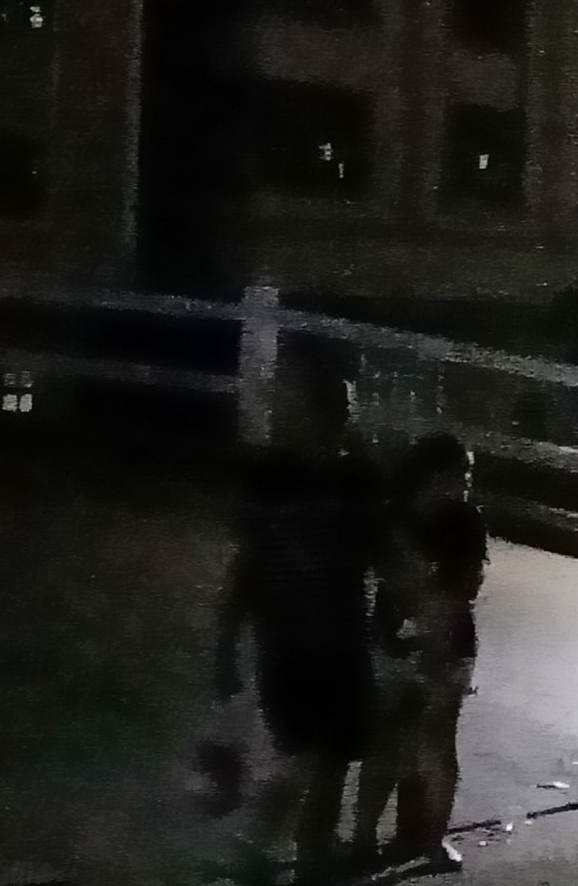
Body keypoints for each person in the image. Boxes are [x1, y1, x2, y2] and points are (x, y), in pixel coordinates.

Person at [215, 357, 381, 886]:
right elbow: (247, 565)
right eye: (333, 408)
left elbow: (377, 557)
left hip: (338, 640)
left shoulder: (356, 479)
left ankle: (303, 855)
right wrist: (226, 643)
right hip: (293, 642)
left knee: (330, 758)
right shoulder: (278, 478)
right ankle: (265, 848)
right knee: (306, 756)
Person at [353, 433, 490, 875]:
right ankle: (372, 838)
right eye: (461, 474)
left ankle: (425, 841)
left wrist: (428, 621)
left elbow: (466, 587)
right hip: (410, 643)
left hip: (438, 645)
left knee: (433, 747)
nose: (467, 483)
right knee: (392, 745)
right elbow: (391, 580)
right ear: (434, 475)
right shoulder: (396, 519)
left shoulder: (459, 520)